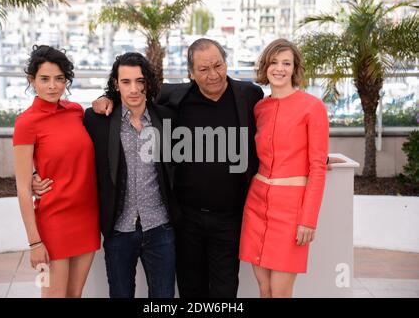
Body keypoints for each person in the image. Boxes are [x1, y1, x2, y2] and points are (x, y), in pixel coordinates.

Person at [92, 39, 264, 298]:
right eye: (204, 69)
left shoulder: (249, 95)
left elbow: (275, 126)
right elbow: (134, 100)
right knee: (189, 289)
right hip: (187, 220)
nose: (213, 74)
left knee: (225, 290)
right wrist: (107, 99)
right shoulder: (174, 99)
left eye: (218, 65)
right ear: (191, 74)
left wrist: (313, 156)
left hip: (229, 218)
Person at [83, 52, 179, 298]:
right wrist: (37, 173)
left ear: (148, 82)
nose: (134, 89)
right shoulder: (97, 120)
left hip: (160, 227)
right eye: (126, 82)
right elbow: (70, 150)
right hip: (119, 230)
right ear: (116, 84)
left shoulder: (165, 118)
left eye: (140, 81)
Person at [239, 38, 329, 298]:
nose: (279, 68)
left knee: (280, 292)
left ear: (294, 68)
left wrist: (308, 220)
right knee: (264, 288)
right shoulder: (260, 108)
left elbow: (317, 168)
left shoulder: (313, 107)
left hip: (291, 212)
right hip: (256, 205)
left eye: (286, 63)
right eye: (274, 62)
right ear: (265, 66)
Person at [13, 45, 100, 298]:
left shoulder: (75, 112)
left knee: (75, 294)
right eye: (45, 79)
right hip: (50, 225)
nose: (52, 86)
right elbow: (21, 186)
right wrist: (34, 242)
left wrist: (102, 102)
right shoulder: (26, 123)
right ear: (32, 81)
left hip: (85, 218)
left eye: (59, 79)